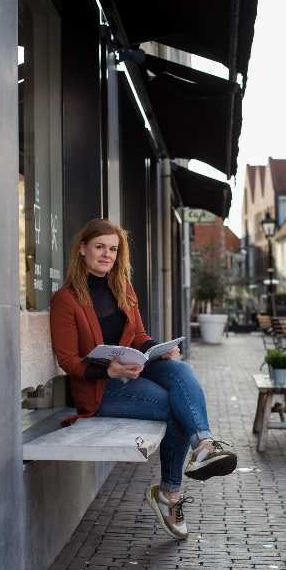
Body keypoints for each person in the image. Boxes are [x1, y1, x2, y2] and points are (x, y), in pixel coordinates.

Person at [50, 219, 237, 541]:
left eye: (112, 249)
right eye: (99, 247)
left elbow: (137, 335)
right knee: (175, 407)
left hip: (133, 371)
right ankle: (170, 495)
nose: (106, 255)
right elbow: (67, 360)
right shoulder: (66, 300)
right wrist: (108, 371)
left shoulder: (122, 287)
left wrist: (157, 350)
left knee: (181, 370)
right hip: (100, 388)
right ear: (82, 249)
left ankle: (204, 443)